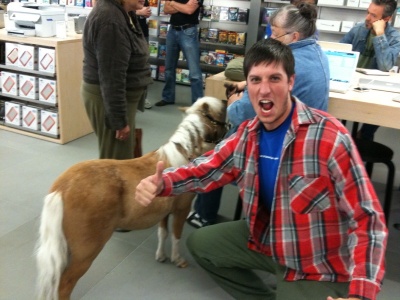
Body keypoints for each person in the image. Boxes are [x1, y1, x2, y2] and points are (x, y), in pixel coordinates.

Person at [135, 38, 387, 300]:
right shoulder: (247, 134)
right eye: (255, 80)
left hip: (316, 262)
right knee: (202, 244)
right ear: (247, 87)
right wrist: (162, 182)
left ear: (291, 82)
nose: (264, 90)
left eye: (274, 79)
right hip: (267, 239)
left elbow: (368, 219)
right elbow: (207, 168)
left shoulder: (330, 137)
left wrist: (361, 293)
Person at [187, 3, 330, 228]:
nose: (271, 38)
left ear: (294, 36)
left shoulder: (284, 63)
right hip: (304, 142)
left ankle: (204, 215)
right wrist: (250, 82)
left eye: (275, 33)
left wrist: (234, 101)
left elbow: (241, 114)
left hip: (275, 145)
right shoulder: (316, 53)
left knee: (214, 149)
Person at [81, 0, 153, 159]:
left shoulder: (124, 13)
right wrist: (118, 120)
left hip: (118, 97)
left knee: (120, 160)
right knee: (115, 166)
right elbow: (112, 78)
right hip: (109, 98)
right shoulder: (111, 20)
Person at [340, 0, 400, 141]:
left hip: (374, 90)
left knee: (378, 113)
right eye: (368, 12)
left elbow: (385, 65)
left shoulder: (395, 38)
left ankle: (363, 141)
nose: (367, 18)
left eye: (373, 15)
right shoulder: (358, 29)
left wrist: (379, 36)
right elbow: (339, 51)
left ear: (386, 19)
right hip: (351, 84)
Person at [155, 0, 204, 106]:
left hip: (188, 31)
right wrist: (182, 6)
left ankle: (198, 104)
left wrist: (173, 3)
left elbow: (189, 10)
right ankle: (168, 97)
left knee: (194, 72)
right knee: (168, 68)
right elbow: (166, 9)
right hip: (172, 31)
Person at [137, 0, 153, 109]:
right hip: (128, 31)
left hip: (143, 33)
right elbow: (119, 10)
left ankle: (143, 98)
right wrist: (138, 12)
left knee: (144, 66)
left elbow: (146, 11)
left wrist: (141, 12)